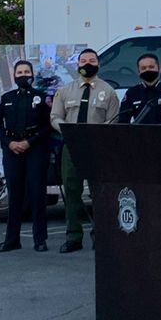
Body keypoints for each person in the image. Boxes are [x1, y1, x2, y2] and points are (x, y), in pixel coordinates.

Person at [50, 48, 119, 253]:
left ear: (98, 64)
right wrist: (67, 131)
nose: (87, 63)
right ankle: (73, 236)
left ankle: (100, 236)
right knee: (72, 192)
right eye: (83, 60)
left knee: (99, 194)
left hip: (98, 149)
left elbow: (114, 120)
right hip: (72, 147)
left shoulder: (108, 92)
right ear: (77, 65)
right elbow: (55, 117)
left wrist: (98, 135)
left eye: (91, 60)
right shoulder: (65, 91)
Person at [0, 60, 53, 252]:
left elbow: (48, 126)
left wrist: (29, 142)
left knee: (37, 194)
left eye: (27, 72)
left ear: (32, 75)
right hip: (13, 149)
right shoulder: (7, 97)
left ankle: (40, 240)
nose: (23, 75)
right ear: (14, 75)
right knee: (15, 194)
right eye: (20, 72)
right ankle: (12, 240)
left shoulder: (41, 98)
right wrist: (9, 143)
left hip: (34, 148)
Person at [117, 54, 161, 124]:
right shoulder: (132, 93)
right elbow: (123, 121)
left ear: (159, 69)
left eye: (151, 67)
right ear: (139, 72)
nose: (147, 70)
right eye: (143, 68)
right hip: (140, 134)